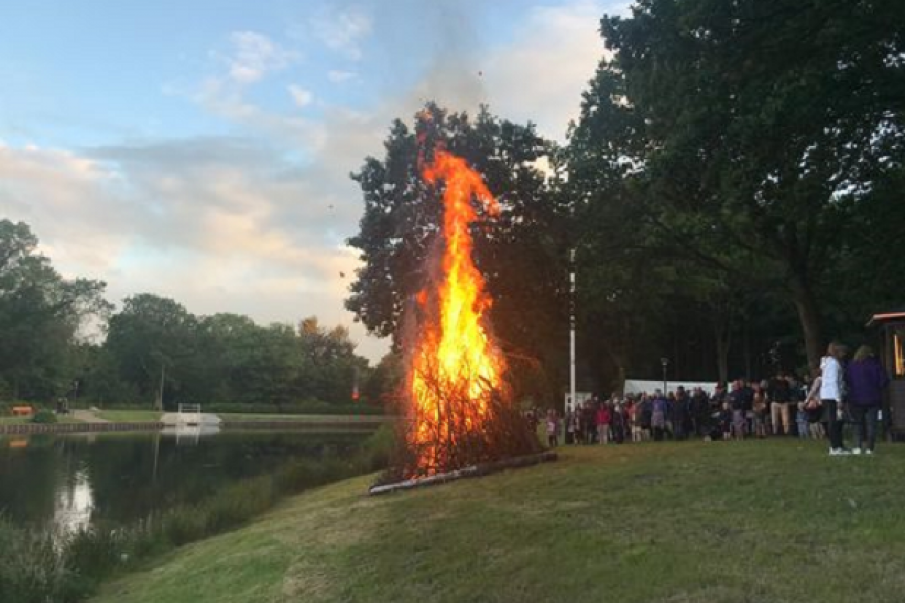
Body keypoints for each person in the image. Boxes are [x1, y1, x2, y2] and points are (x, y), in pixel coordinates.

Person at [845, 345, 889, 455]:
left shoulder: (852, 365)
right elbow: (883, 380)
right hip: (872, 398)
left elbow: (847, 381)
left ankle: (857, 447)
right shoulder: (875, 365)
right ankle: (870, 448)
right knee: (871, 425)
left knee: (858, 424)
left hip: (856, 398)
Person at [821, 342, 849, 455]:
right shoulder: (833, 364)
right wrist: (838, 399)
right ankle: (835, 447)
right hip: (832, 395)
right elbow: (833, 382)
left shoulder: (827, 363)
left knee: (836, 421)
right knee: (834, 422)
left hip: (827, 394)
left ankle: (838, 445)